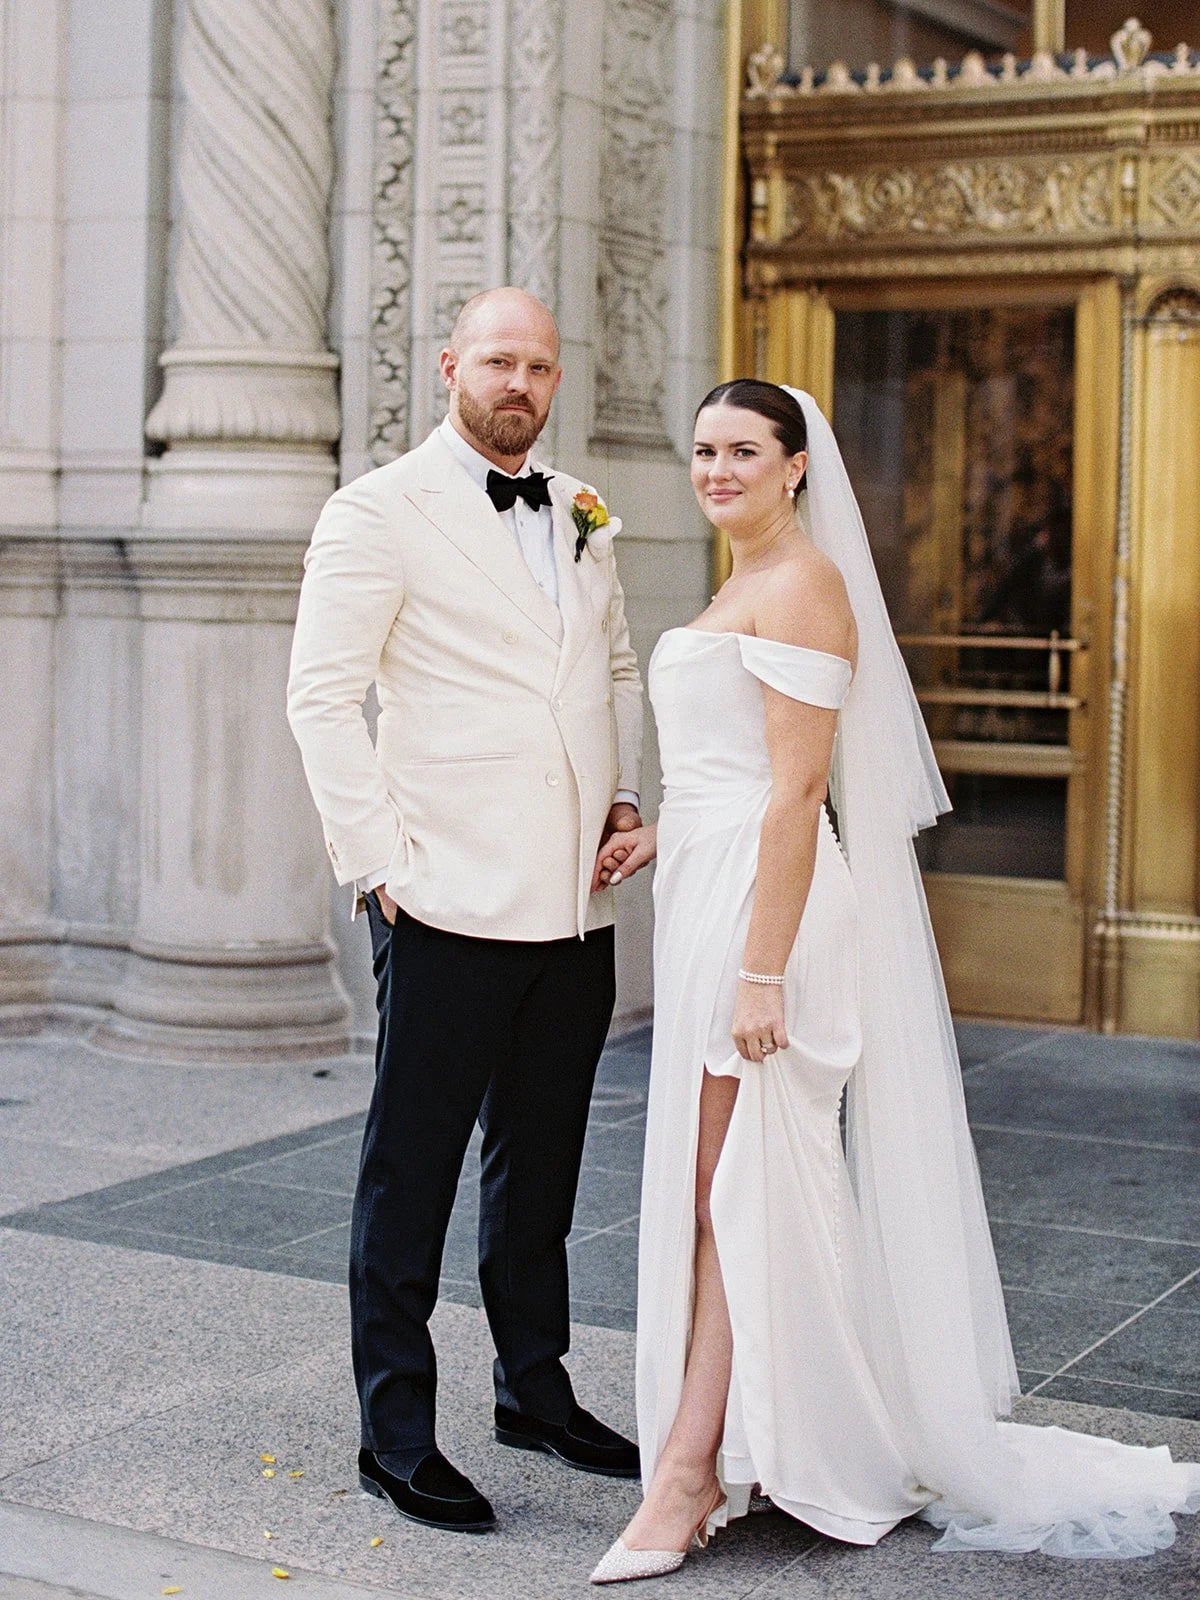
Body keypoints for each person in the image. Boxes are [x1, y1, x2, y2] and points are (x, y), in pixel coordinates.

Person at [588, 380, 1200, 1583]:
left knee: (735, 1193)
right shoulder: (738, 579)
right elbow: (734, 764)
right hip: (715, 885)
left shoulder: (804, 584)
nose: (717, 470)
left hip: (768, 924)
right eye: (705, 450)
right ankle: (781, 1436)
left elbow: (798, 792)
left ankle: (689, 1475)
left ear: (797, 465)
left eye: (744, 451)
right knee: (731, 1191)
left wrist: (762, 972)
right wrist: (666, 829)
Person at [287, 288, 644, 1535]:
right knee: (411, 1174)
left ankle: (532, 1389)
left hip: (573, 908)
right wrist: (379, 864)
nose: (520, 384)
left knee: (541, 1164)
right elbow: (321, 699)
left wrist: (625, 799)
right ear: (451, 365)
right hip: (441, 894)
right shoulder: (377, 511)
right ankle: (395, 1430)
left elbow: (613, 670)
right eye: (499, 360)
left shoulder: (582, 511)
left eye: (540, 366)